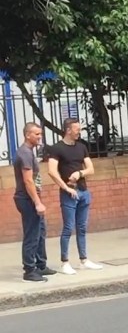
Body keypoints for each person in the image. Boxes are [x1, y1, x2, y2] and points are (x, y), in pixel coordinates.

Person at [46, 117, 103, 274]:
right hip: (69, 193)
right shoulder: (57, 148)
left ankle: (83, 259)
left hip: (83, 190)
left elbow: (91, 168)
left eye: (80, 129)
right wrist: (65, 188)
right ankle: (65, 262)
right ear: (68, 130)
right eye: (77, 129)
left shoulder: (81, 147)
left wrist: (79, 173)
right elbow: (51, 171)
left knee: (82, 227)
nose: (79, 132)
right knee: (68, 227)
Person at [13, 122, 56, 282]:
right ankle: (29, 270)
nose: (40, 137)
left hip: (31, 197)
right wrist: (37, 202)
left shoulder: (29, 152)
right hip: (27, 199)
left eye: (40, 134)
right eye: (37, 134)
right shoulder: (24, 153)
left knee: (41, 231)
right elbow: (28, 181)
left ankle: (40, 264)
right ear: (27, 135)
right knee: (32, 234)